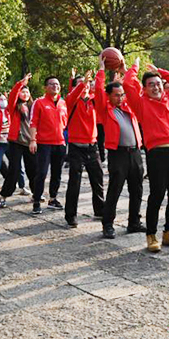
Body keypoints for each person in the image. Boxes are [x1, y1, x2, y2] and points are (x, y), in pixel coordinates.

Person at [123, 59, 169, 253]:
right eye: (151, 84)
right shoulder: (141, 103)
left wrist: (159, 70)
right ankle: (151, 234)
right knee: (157, 194)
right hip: (157, 153)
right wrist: (135, 66)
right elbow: (127, 83)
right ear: (144, 88)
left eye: (158, 84)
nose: (156, 87)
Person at [95, 58, 145, 238]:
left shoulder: (128, 107)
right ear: (109, 96)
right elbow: (99, 91)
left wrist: (129, 70)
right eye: (116, 94)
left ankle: (134, 222)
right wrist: (101, 70)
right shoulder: (104, 109)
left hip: (135, 152)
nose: (120, 97)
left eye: (122, 94)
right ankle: (107, 224)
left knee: (137, 190)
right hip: (118, 154)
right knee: (115, 190)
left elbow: (136, 87)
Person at [62, 69, 105, 227]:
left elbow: (101, 91)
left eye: (87, 83)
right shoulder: (71, 100)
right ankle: (71, 215)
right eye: (80, 84)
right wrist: (82, 83)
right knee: (75, 181)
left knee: (98, 179)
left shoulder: (94, 100)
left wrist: (102, 72)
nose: (85, 85)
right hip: (76, 147)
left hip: (92, 146)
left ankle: (100, 210)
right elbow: (73, 94)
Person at [29, 76, 68, 213]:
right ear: (45, 87)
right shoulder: (39, 102)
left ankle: (53, 199)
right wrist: (33, 140)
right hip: (44, 143)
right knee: (42, 173)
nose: (55, 86)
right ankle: (36, 201)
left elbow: (65, 123)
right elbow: (33, 122)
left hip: (60, 143)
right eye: (51, 84)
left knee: (57, 174)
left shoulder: (63, 103)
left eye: (57, 84)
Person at [0, 76, 31, 209]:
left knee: (33, 169)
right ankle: (3, 196)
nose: (25, 94)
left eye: (27, 92)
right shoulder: (13, 106)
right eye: (23, 91)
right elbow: (13, 95)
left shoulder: (33, 106)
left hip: (30, 142)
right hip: (16, 142)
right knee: (14, 170)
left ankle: (36, 194)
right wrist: (21, 83)